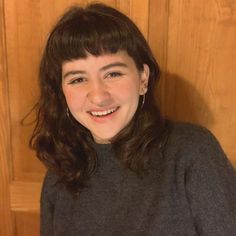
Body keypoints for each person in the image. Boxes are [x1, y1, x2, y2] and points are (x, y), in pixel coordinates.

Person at [30, 3, 236, 236]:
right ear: (61, 91)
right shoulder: (60, 174)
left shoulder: (191, 152)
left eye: (113, 73)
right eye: (78, 79)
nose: (98, 96)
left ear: (143, 79)